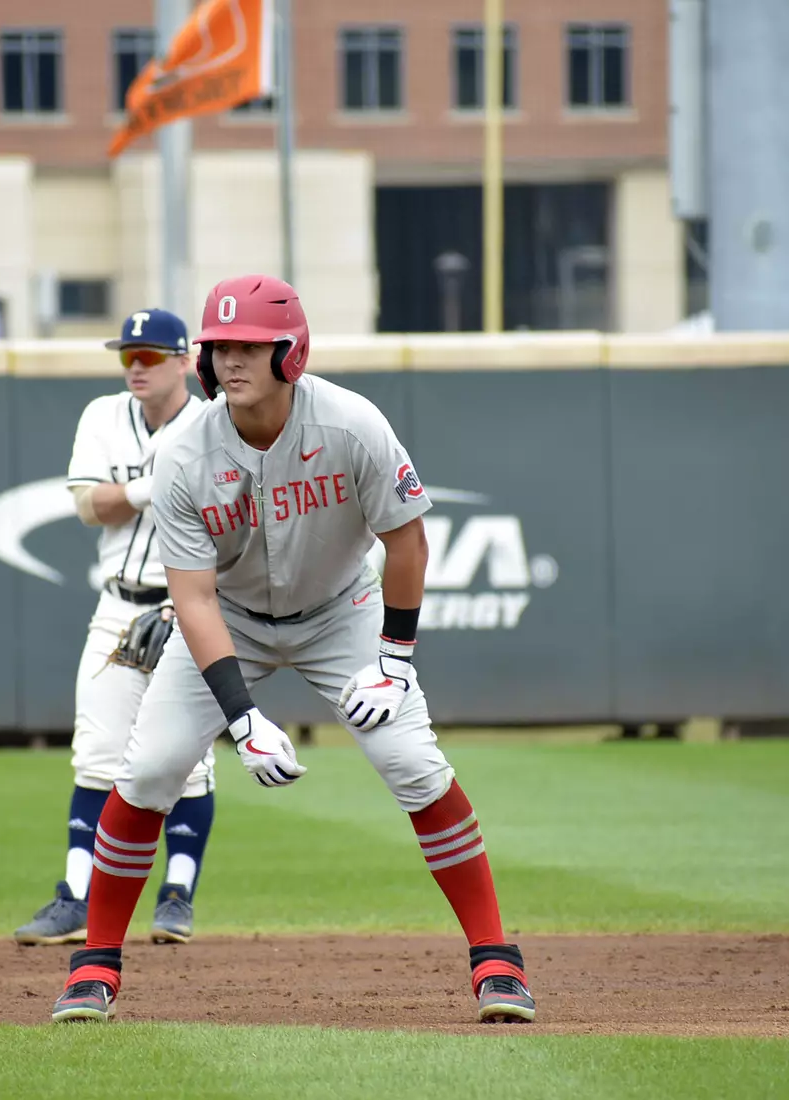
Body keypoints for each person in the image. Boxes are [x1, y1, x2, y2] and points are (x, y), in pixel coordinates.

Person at [48, 275, 536, 1024]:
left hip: (342, 610)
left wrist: (394, 661)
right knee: (146, 770)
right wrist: (243, 720)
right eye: (220, 346)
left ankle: (497, 958)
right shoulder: (182, 452)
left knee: (413, 763)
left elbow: (406, 544)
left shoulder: (352, 424)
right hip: (230, 618)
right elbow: (195, 598)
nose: (232, 360)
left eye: (250, 345)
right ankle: (94, 967)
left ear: (291, 352)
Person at [13, 308, 217, 948]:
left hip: (194, 607)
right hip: (118, 606)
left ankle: (177, 897)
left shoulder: (215, 424)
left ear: (184, 361)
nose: (136, 366)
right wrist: (149, 489)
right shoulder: (103, 416)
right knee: (98, 755)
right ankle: (75, 897)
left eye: (151, 356)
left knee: (188, 762)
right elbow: (85, 506)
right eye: (129, 355)